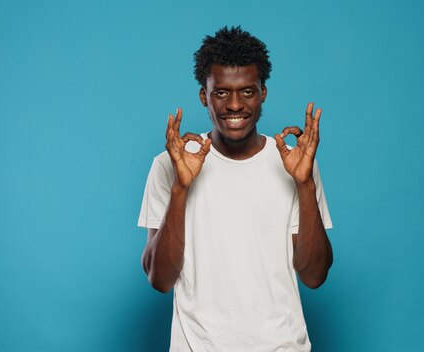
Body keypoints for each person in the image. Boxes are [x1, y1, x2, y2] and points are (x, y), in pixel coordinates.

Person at [138, 26, 333, 351]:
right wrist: (181, 188)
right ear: (204, 95)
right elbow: (160, 280)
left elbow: (314, 276)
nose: (234, 105)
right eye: (221, 92)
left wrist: (304, 183)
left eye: (247, 91)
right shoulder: (168, 165)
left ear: (263, 93)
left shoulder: (296, 164)